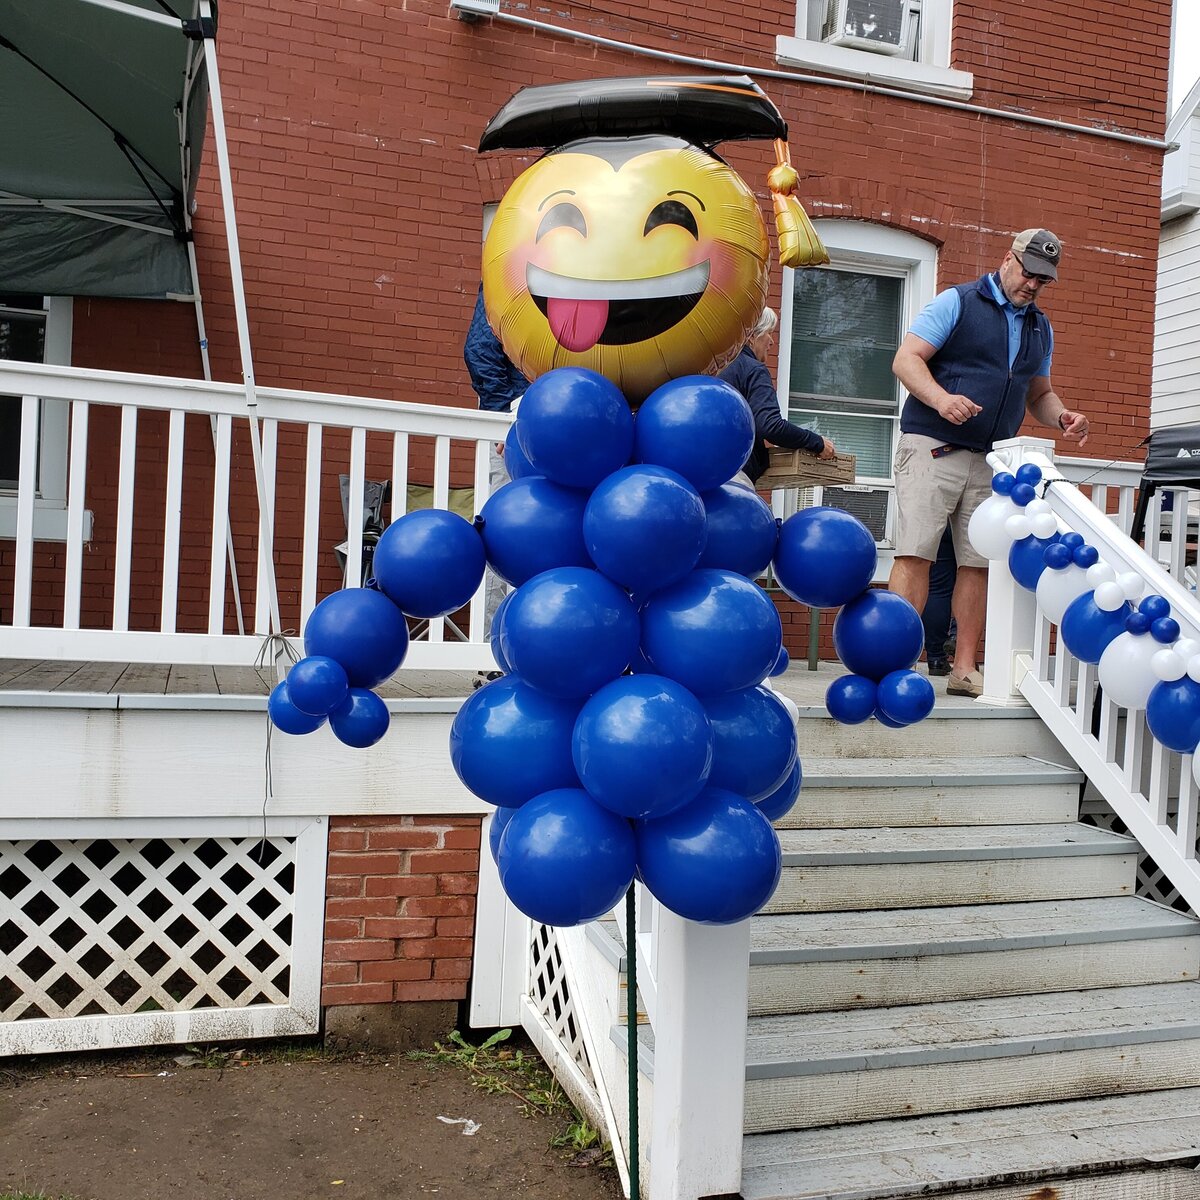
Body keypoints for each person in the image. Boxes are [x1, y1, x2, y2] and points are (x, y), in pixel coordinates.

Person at [887, 228, 1090, 698]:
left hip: (990, 460)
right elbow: (906, 360)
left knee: (978, 564)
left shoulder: (1042, 327)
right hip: (932, 445)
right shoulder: (955, 302)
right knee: (916, 554)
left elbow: (1037, 392)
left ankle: (963, 668)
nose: (1034, 285)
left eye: (1045, 279)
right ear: (1008, 259)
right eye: (1029, 273)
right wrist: (941, 400)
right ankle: (895, 663)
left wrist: (1061, 416)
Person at [464, 284, 527, 634]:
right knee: (501, 532)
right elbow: (481, 351)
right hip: (517, 421)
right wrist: (504, 418)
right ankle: (492, 645)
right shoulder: (510, 269)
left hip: (574, 426)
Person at [719, 306, 835, 487]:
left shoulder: (711, 366)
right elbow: (770, 426)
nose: (772, 341)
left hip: (697, 471)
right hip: (734, 474)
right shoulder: (753, 369)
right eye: (769, 333)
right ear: (751, 335)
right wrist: (817, 442)